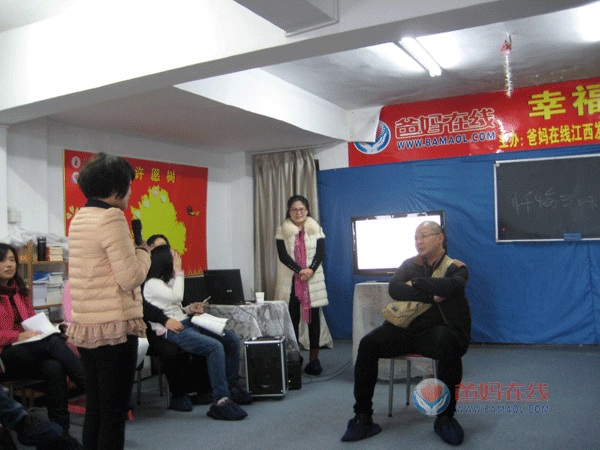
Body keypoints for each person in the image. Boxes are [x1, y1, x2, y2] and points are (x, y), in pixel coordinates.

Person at [342, 221, 471, 445]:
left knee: (449, 344)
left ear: (440, 238)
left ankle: (445, 418)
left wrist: (417, 283)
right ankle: (363, 417)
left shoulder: (455, 266)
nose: (419, 241)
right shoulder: (409, 264)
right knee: (368, 344)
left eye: (424, 235)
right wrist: (431, 295)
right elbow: (395, 289)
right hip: (402, 330)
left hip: (435, 332)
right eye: (416, 237)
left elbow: (453, 286)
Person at [67, 152, 151, 450]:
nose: (130, 191)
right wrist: (144, 253)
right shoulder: (111, 217)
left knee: (97, 408)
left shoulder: (80, 218)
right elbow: (130, 277)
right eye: (128, 185)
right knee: (114, 413)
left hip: (87, 326)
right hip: (114, 327)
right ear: (115, 189)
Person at [143, 244, 251, 420]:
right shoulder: (152, 284)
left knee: (231, 339)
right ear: (165, 261)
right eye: (174, 256)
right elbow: (177, 297)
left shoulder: (166, 282)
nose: (178, 258)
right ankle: (221, 399)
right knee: (214, 347)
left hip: (187, 321)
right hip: (173, 330)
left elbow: (175, 306)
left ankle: (230, 387)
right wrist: (179, 272)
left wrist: (189, 308)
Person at [0, 243, 85, 438]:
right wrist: (17, 336)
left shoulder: (19, 291)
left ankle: (61, 432)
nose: (9, 264)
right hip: (4, 356)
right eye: (2, 260)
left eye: (12, 260)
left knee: (54, 366)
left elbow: (31, 320)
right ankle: (89, 386)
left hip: (24, 352)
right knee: (52, 343)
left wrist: (46, 330)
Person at [143, 234, 213, 411]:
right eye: (159, 248)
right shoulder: (144, 277)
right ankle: (178, 394)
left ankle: (201, 390)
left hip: (176, 322)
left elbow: (178, 304)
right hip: (154, 327)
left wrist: (190, 308)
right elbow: (143, 308)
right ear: (150, 250)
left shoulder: (168, 276)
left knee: (200, 341)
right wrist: (164, 320)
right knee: (171, 350)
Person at [274, 195, 330, 375]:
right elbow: (283, 256)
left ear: (307, 210)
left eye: (301, 209)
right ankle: (294, 357)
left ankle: (314, 359)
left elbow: (320, 253)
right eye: (294, 209)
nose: (298, 213)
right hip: (291, 280)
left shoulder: (315, 228)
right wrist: (299, 270)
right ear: (289, 211)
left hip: (312, 279)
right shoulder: (282, 230)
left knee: (314, 321)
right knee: (292, 319)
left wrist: (310, 270)